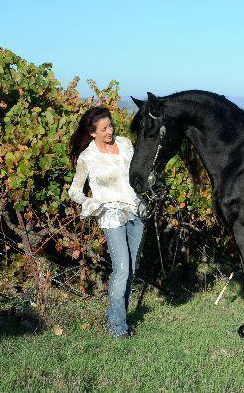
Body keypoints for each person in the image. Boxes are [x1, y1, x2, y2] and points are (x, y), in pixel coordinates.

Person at [67, 106, 145, 338]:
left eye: (110, 125)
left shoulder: (125, 144)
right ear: (92, 133)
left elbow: (137, 173)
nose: (110, 131)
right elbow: (75, 191)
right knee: (121, 269)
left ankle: (120, 316)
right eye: (104, 128)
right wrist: (91, 204)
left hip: (135, 210)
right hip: (110, 215)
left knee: (131, 269)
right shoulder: (87, 157)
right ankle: (117, 326)